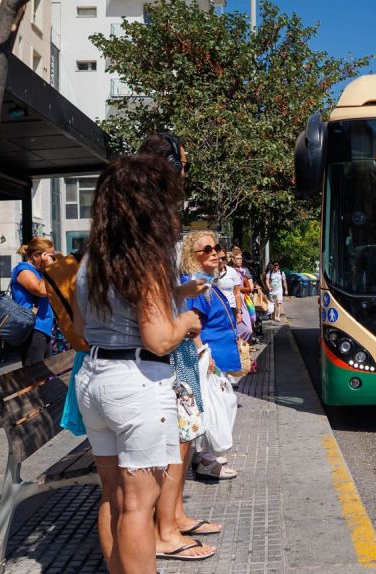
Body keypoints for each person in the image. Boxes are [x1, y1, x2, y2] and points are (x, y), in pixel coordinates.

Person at [73, 155, 214, 570]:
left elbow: (80, 328)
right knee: (139, 506)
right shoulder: (145, 257)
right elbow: (157, 339)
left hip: (94, 379)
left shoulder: (90, 260)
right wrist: (186, 319)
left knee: (114, 498)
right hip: (136, 385)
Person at [136, 133, 225, 554]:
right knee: (177, 436)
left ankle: (174, 518)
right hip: (165, 348)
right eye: (182, 164)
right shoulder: (147, 220)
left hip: (176, 347)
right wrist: (184, 306)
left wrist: (182, 293)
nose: (185, 173)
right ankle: (166, 530)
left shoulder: (155, 216)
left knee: (185, 435)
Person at [180, 231, 241, 480]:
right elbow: (192, 323)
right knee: (211, 407)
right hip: (206, 358)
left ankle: (208, 456)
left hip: (214, 356)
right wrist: (202, 353)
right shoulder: (195, 283)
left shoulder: (206, 281)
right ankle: (207, 460)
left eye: (215, 247)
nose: (214, 252)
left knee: (218, 405)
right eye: (206, 250)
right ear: (191, 256)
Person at [10, 237, 56, 366]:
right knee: (33, 375)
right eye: (49, 257)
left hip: (44, 326)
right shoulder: (23, 270)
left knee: (44, 373)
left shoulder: (40, 272)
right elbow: (40, 290)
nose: (52, 260)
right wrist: (50, 268)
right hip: (34, 328)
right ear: (36, 255)